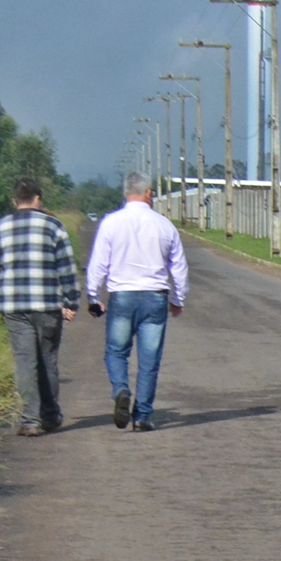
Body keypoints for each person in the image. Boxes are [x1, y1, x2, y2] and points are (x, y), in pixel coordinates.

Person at [86, 171, 189, 432]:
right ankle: (142, 415)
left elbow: (98, 264)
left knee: (116, 351)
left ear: (126, 192)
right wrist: (178, 299)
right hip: (155, 297)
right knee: (149, 359)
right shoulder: (164, 226)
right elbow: (178, 267)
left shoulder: (111, 223)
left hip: (122, 296)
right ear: (149, 193)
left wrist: (93, 296)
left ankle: (121, 389)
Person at [0, 178, 80, 437]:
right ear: (38, 199)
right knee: (47, 360)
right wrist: (71, 301)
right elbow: (67, 268)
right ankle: (50, 415)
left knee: (25, 361)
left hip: (14, 307)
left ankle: (29, 420)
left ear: (15, 201)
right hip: (47, 305)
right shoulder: (53, 226)